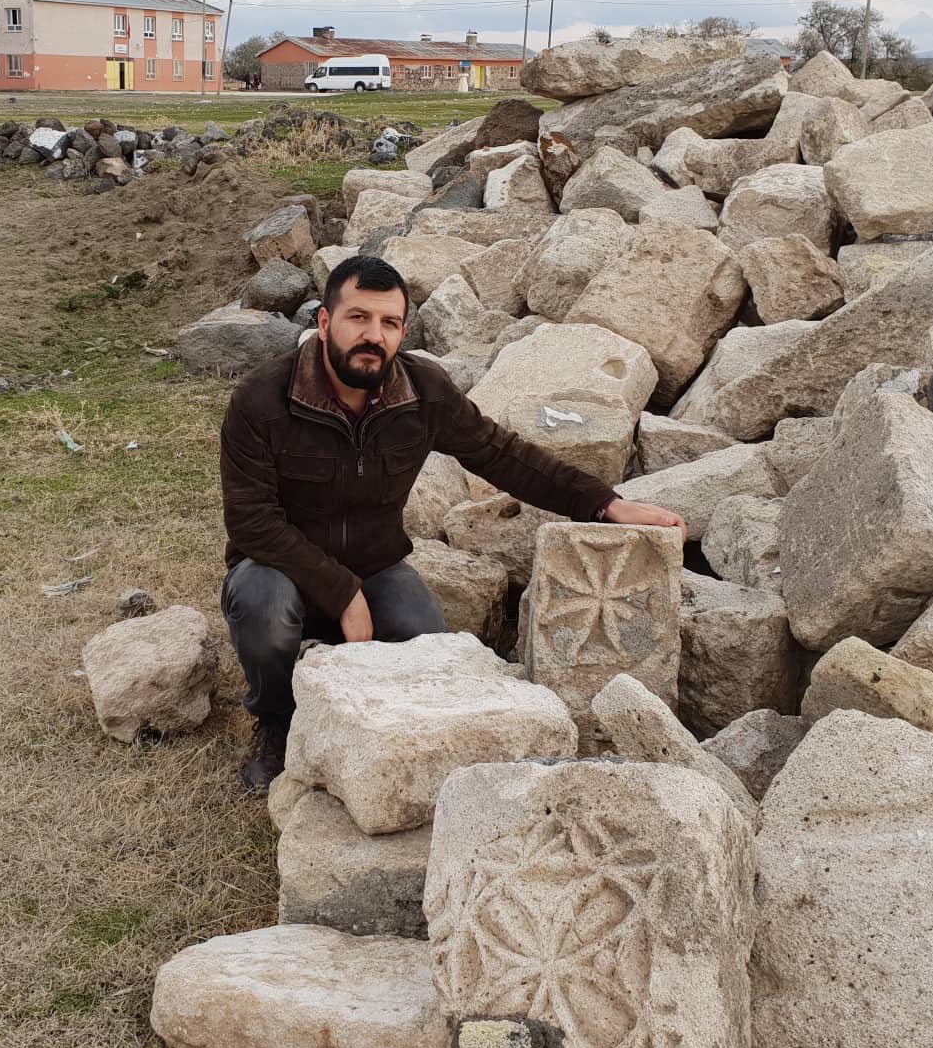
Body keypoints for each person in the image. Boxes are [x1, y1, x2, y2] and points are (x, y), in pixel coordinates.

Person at [218, 254, 685, 792]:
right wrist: (342, 593)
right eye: (358, 318)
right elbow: (252, 521)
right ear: (324, 323)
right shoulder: (261, 399)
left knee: (432, 654)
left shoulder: (422, 392)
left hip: (376, 567)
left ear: (403, 332)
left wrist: (604, 504)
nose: (373, 336)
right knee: (264, 606)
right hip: (278, 568)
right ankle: (277, 722)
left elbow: (503, 455)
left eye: (389, 323)